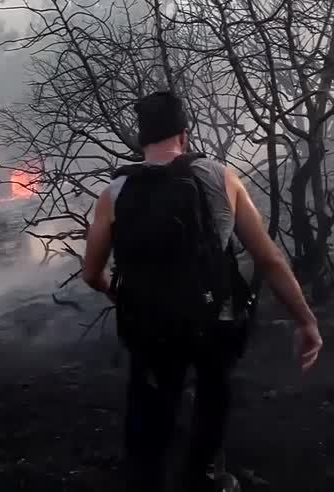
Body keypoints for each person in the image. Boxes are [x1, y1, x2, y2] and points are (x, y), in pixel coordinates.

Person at [82, 91, 323, 492]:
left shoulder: (116, 192)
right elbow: (269, 259)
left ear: (142, 140)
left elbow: (91, 272)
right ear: (184, 134)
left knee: (149, 419)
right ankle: (207, 476)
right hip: (215, 322)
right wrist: (306, 320)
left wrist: (121, 297)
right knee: (214, 397)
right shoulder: (221, 177)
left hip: (150, 327)